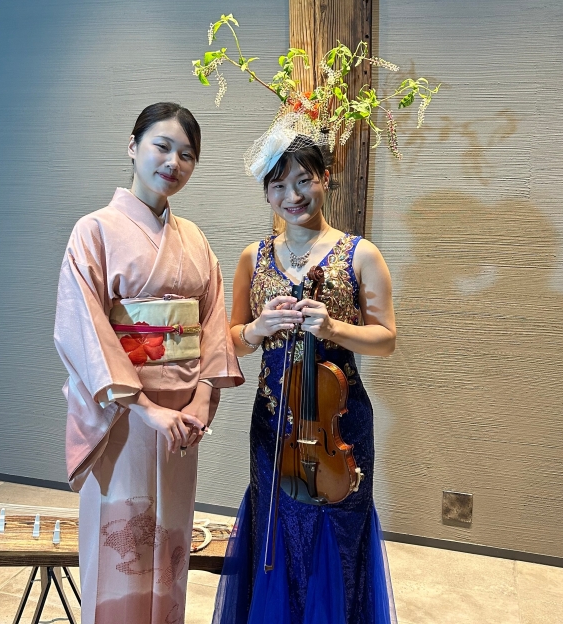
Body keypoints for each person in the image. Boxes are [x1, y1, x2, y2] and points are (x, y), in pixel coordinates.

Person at [54, 102, 244, 624]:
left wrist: (202, 399)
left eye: (187, 155)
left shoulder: (195, 239)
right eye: (162, 146)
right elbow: (86, 330)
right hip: (124, 415)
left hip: (183, 417)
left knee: (170, 541)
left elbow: (212, 323)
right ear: (133, 146)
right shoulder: (94, 231)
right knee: (122, 534)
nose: (173, 162)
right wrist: (145, 408)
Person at [213, 134, 399, 624]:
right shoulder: (253, 257)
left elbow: (386, 339)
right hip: (273, 425)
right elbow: (230, 340)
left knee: (336, 528)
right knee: (275, 525)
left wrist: (334, 328)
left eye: (303, 180)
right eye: (278, 185)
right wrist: (257, 329)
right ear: (266, 192)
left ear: (325, 179)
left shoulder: (361, 254)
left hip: (340, 426)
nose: (292, 195)